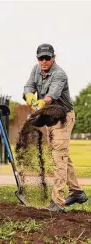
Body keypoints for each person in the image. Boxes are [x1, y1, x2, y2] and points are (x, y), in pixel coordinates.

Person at [23, 43, 88, 212]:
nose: (44, 61)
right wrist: (29, 95)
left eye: (47, 58)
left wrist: (42, 101)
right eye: (40, 58)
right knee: (61, 155)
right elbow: (29, 85)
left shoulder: (60, 74)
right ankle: (77, 192)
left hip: (63, 117)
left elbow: (53, 94)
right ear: (37, 59)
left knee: (58, 156)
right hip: (49, 118)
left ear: (53, 58)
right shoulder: (36, 70)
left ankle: (57, 202)